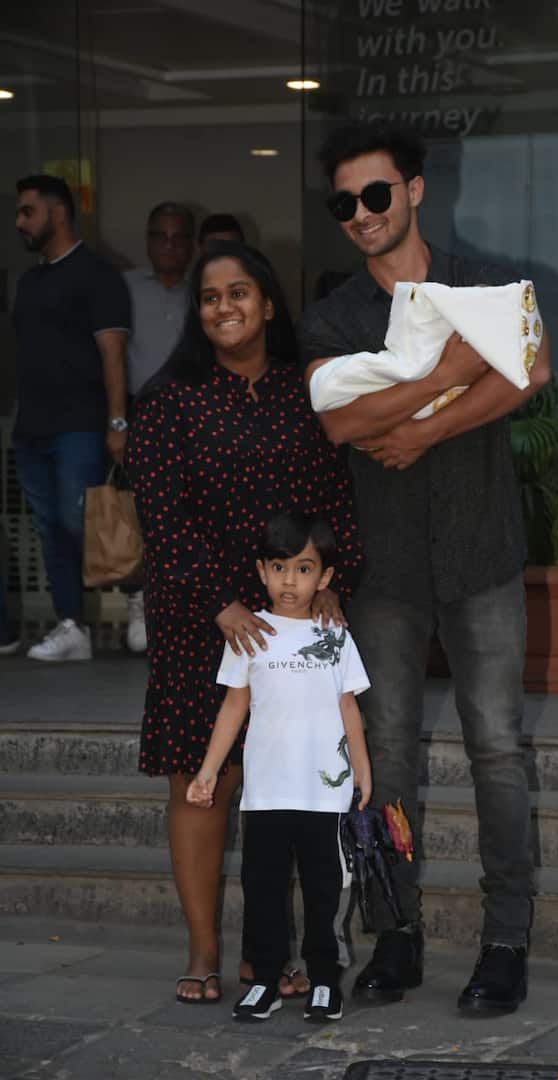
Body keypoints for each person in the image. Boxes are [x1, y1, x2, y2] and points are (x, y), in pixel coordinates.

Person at [298, 123, 551, 1014]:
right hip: (385, 566)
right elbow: (335, 424)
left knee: (497, 749)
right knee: (388, 757)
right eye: (344, 204)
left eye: (375, 195)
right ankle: (395, 934)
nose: (361, 214)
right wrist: (447, 371)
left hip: (481, 549)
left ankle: (506, 940)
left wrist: (417, 425)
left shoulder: (485, 284)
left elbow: (528, 369)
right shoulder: (334, 313)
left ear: (412, 191)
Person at [125, 242, 363, 1005]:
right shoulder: (168, 398)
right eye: (209, 297)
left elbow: (336, 500)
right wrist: (221, 603)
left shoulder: (305, 391)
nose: (224, 307)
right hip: (203, 621)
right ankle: (203, 952)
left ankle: (274, 952)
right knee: (205, 784)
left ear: (266, 302)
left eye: (239, 293)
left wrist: (333, 582)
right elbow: (159, 517)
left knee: (288, 790)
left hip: (292, 619)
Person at [187, 511, 371, 1024]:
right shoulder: (249, 634)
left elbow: (349, 708)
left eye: (305, 568)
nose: (291, 581)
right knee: (263, 889)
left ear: (326, 577)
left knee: (324, 891)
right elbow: (233, 707)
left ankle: (324, 981)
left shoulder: (335, 636)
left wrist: (362, 770)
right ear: (262, 571)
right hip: (265, 794)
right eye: (279, 567)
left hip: (324, 796)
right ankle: (264, 981)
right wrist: (208, 772)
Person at [13, 174, 130, 662]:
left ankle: (141, 592)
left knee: (83, 521)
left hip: (80, 425)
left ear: (57, 212)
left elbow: (112, 354)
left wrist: (118, 423)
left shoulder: (97, 275)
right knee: (50, 529)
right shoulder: (29, 279)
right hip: (31, 429)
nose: (19, 222)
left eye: (27, 211)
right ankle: (71, 627)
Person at [123, 201, 195, 653]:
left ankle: (184, 609)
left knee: (188, 512)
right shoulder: (123, 287)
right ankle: (139, 601)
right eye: (159, 236)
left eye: (178, 237)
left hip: (194, 415)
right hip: (138, 413)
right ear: (148, 239)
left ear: (190, 243)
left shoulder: (204, 288)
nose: (168, 246)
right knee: (141, 514)